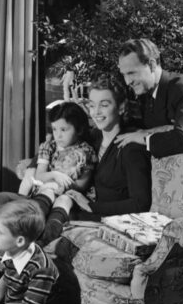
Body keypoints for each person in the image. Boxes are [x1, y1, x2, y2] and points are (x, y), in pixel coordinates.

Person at [34, 73, 152, 242]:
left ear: (121, 107)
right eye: (92, 105)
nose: (96, 112)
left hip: (99, 218)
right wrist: (33, 165)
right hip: (67, 204)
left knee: (13, 223)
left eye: (104, 105)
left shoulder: (131, 148)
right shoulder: (94, 137)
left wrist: (90, 205)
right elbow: (61, 144)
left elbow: (140, 203)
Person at [18, 101, 97, 200]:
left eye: (63, 130)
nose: (58, 135)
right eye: (54, 129)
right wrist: (55, 175)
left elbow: (81, 185)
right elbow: (39, 176)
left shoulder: (86, 152)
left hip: (70, 196)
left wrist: (61, 187)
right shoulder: (49, 147)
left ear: (79, 130)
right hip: (45, 191)